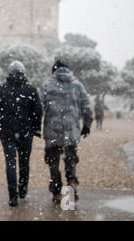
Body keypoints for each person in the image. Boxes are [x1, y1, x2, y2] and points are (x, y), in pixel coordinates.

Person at [40, 60, 93, 203]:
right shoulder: (77, 85)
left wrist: (35, 126)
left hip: (52, 131)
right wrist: (87, 125)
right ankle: (71, 184)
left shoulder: (47, 85)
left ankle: (57, 192)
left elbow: (39, 107)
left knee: (53, 162)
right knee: (70, 160)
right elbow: (87, 107)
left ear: (53, 71)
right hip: (71, 130)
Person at [0, 61, 42, 206]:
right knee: (24, 163)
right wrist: (36, 128)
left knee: (10, 164)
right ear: (23, 72)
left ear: (9, 72)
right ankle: (23, 188)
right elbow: (38, 111)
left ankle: (13, 196)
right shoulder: (30, 89)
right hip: (26, 132)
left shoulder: (1, 89)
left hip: (7, 133)